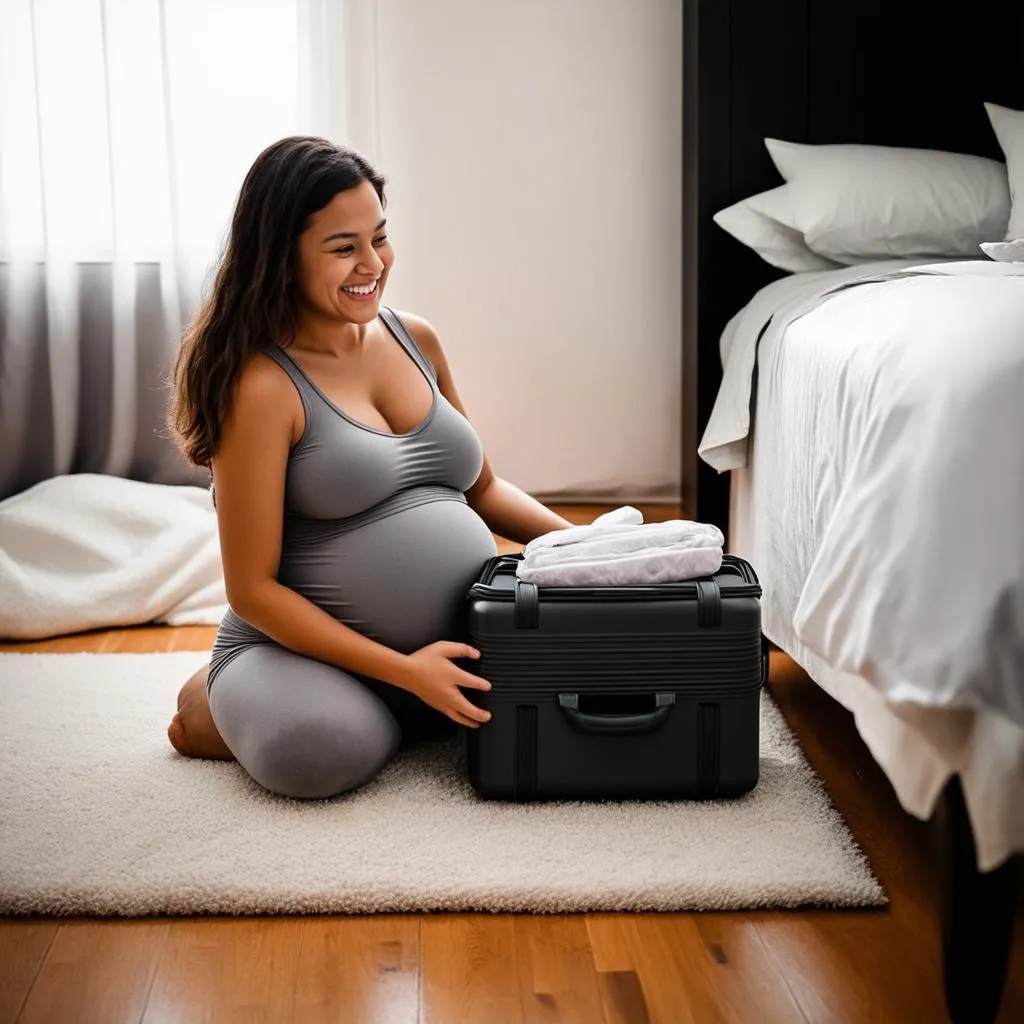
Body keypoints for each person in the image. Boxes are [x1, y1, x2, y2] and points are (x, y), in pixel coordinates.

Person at [166, 136, 572, 799]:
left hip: (452, 640)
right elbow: (252, 589)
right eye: (343, 247)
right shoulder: (263, 386)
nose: (372, 263)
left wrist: (586, 550)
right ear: (282, 256)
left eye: (379, 238)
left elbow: (487, 490)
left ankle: (397, 703)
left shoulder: (417, 337)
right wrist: (406, 671)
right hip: (295, 648)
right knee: (321, 754)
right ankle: (219, 699)